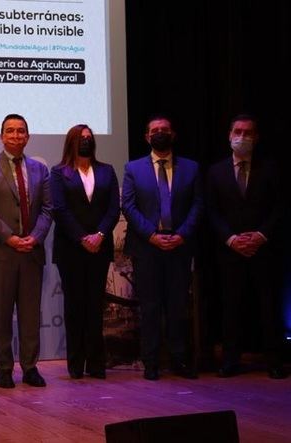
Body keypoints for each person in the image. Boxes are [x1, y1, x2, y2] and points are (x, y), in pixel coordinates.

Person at [206, 114, 287, 379]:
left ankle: (274, 360)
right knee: (231, 307)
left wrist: (261, 235)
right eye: (238, 132)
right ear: (229, 136)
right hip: (230, 251)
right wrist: (231, 239)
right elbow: (212, 211)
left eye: (248, 133)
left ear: (257, 138)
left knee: (268, 306)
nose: (242, 137)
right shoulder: (216, 171)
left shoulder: (271, 168)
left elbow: (280, 207)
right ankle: (230, 360)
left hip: (264, 250)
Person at [121, 115, 202, 381]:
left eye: (164, 130)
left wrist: (181, 234)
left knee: (178, 306)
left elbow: (197, 205)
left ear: (173, 134)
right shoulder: (133, 168)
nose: (160, 133)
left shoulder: (191, 168)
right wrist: (151, 235)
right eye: (155, 130)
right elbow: (129, 206)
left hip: (179, 246)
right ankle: (151, 362)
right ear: (146, 137)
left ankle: (179, 359)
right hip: (147, 247)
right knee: (151, 307)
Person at [0, 114, 53, 389]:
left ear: (28, 136)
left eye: (21, 131)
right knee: (2, 313)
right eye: (10, 131)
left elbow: (47, 208)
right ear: (1, 136)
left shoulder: (40, 169)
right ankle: (4, 369)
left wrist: (35, 237)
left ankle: (30, 367)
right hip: (1, 251)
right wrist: (9, 238)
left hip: (32, 250)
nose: (16, 136)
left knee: (31, 313)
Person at [49, 124, 120, 379]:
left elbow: (113, 208)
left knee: (94, 306)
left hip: (99, 248)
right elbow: (60, 209)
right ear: (71, 142)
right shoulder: (59, 173)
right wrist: (82, 237)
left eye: (89, 138)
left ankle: (97, 364)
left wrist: (99, 235)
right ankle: (76, 365)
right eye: (81, 138)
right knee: (74, 306)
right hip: (71, 249)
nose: (86, 142)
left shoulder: (106, 170)